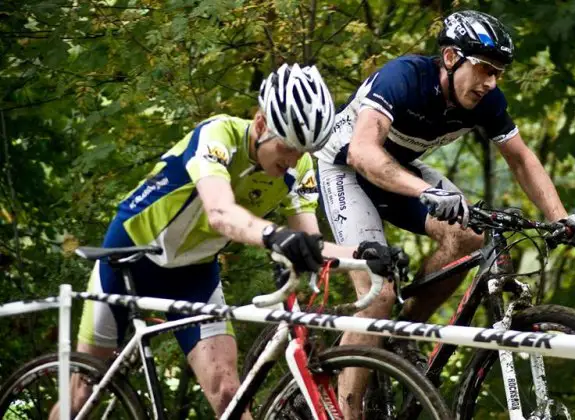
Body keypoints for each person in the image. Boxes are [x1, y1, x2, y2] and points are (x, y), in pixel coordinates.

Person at [53, 64, 399, 419]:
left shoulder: (299, 168)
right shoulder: (218, 136)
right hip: (127, 257)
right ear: (261, 124)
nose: (293, 158)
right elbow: (220, 213)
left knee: (228, 393)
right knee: (81, 390)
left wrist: (364, 254)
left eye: (303, 150)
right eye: (287, 145)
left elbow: (309, 243)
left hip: (193, 274)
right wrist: (275, 236)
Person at [315, 10, 575, 418]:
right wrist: (425, 190)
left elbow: (520, 159)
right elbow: (363, 151)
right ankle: (346, 411)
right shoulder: (403, 78)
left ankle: (402, 334)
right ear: (450, 58)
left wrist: (561, 218)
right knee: (378, 294)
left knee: (470, 237)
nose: (490, 82)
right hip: (347, 168)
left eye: (498, 72)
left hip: (399, 168)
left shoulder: (485, 100)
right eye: (483, 68)